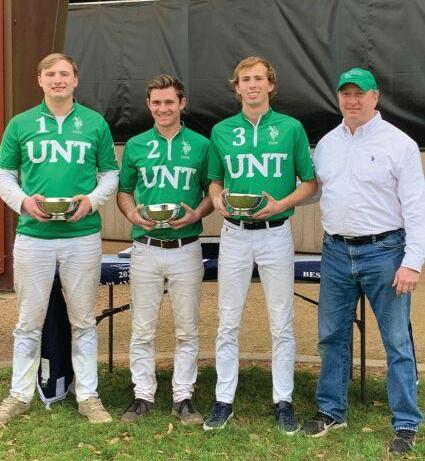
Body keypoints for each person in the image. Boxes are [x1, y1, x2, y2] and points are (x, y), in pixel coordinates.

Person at [301, 68, 425, 455]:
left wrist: (413, 262)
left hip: (385, 252)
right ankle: (331, 411)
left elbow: (416, 207)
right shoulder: (327, 144)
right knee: (331, 336)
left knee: (396, 340)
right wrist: (277, 198)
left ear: (376, 97)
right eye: (346, 94)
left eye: (360, 93)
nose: (352, 100)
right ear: (338, 98)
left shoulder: (399, 144)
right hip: (336, 252)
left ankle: (406, 423)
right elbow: (315, 192)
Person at [0, 53, 119, 426]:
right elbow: (4, 174)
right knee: (28, 321)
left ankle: (88, 396)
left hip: (81, 236)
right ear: (39, 79)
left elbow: (110, 174)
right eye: (50, 73)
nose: (57, 79)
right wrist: (23, 202)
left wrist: (91, 201)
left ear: (75, 80)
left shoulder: (94, 123)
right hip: (33, 236)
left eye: (64, 73)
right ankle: (19, 396)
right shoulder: (20, 124)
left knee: (82, 320)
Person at [204, 56, 317, 432]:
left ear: (270, 84)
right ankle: (223, 400)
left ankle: (283, 400)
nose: (252, 85)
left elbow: (309, 183)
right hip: (234, 233)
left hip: (275, 232)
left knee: (281, 321)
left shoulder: (290, 128)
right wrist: (217, 199)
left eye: (258, 78)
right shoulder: (221, 130)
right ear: (236, 87)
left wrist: (281, 204)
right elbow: (214, 180)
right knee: (228, 320)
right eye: (245, 79)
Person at [117, 74, 213, 425]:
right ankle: (142, 395)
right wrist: (132, 214)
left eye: (169, 102)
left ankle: (183, 396)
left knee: (187, 328)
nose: (163, 108)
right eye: (156, 102)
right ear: (148, 105)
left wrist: (197, 213)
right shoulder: (136, 145)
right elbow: (124, 191)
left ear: (182, 103)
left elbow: (212, 191)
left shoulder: (201, 145)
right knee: (143, 328)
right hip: (145, 247)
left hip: (186, 247)